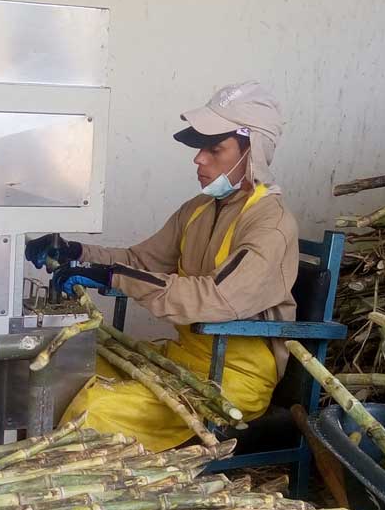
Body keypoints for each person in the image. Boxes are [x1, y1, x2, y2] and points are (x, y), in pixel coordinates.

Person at [26, 81, 299, 451]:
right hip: (180, 359)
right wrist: (77, 252)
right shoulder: (198, 209)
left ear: (253, 153)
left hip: (231, 379)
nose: (199, 159)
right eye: (202, 148)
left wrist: (116, 278)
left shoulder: (271, 224)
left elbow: (216, 300)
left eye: (214, 149)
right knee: (64, 370)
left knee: (97, 409)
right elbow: (141, 261)